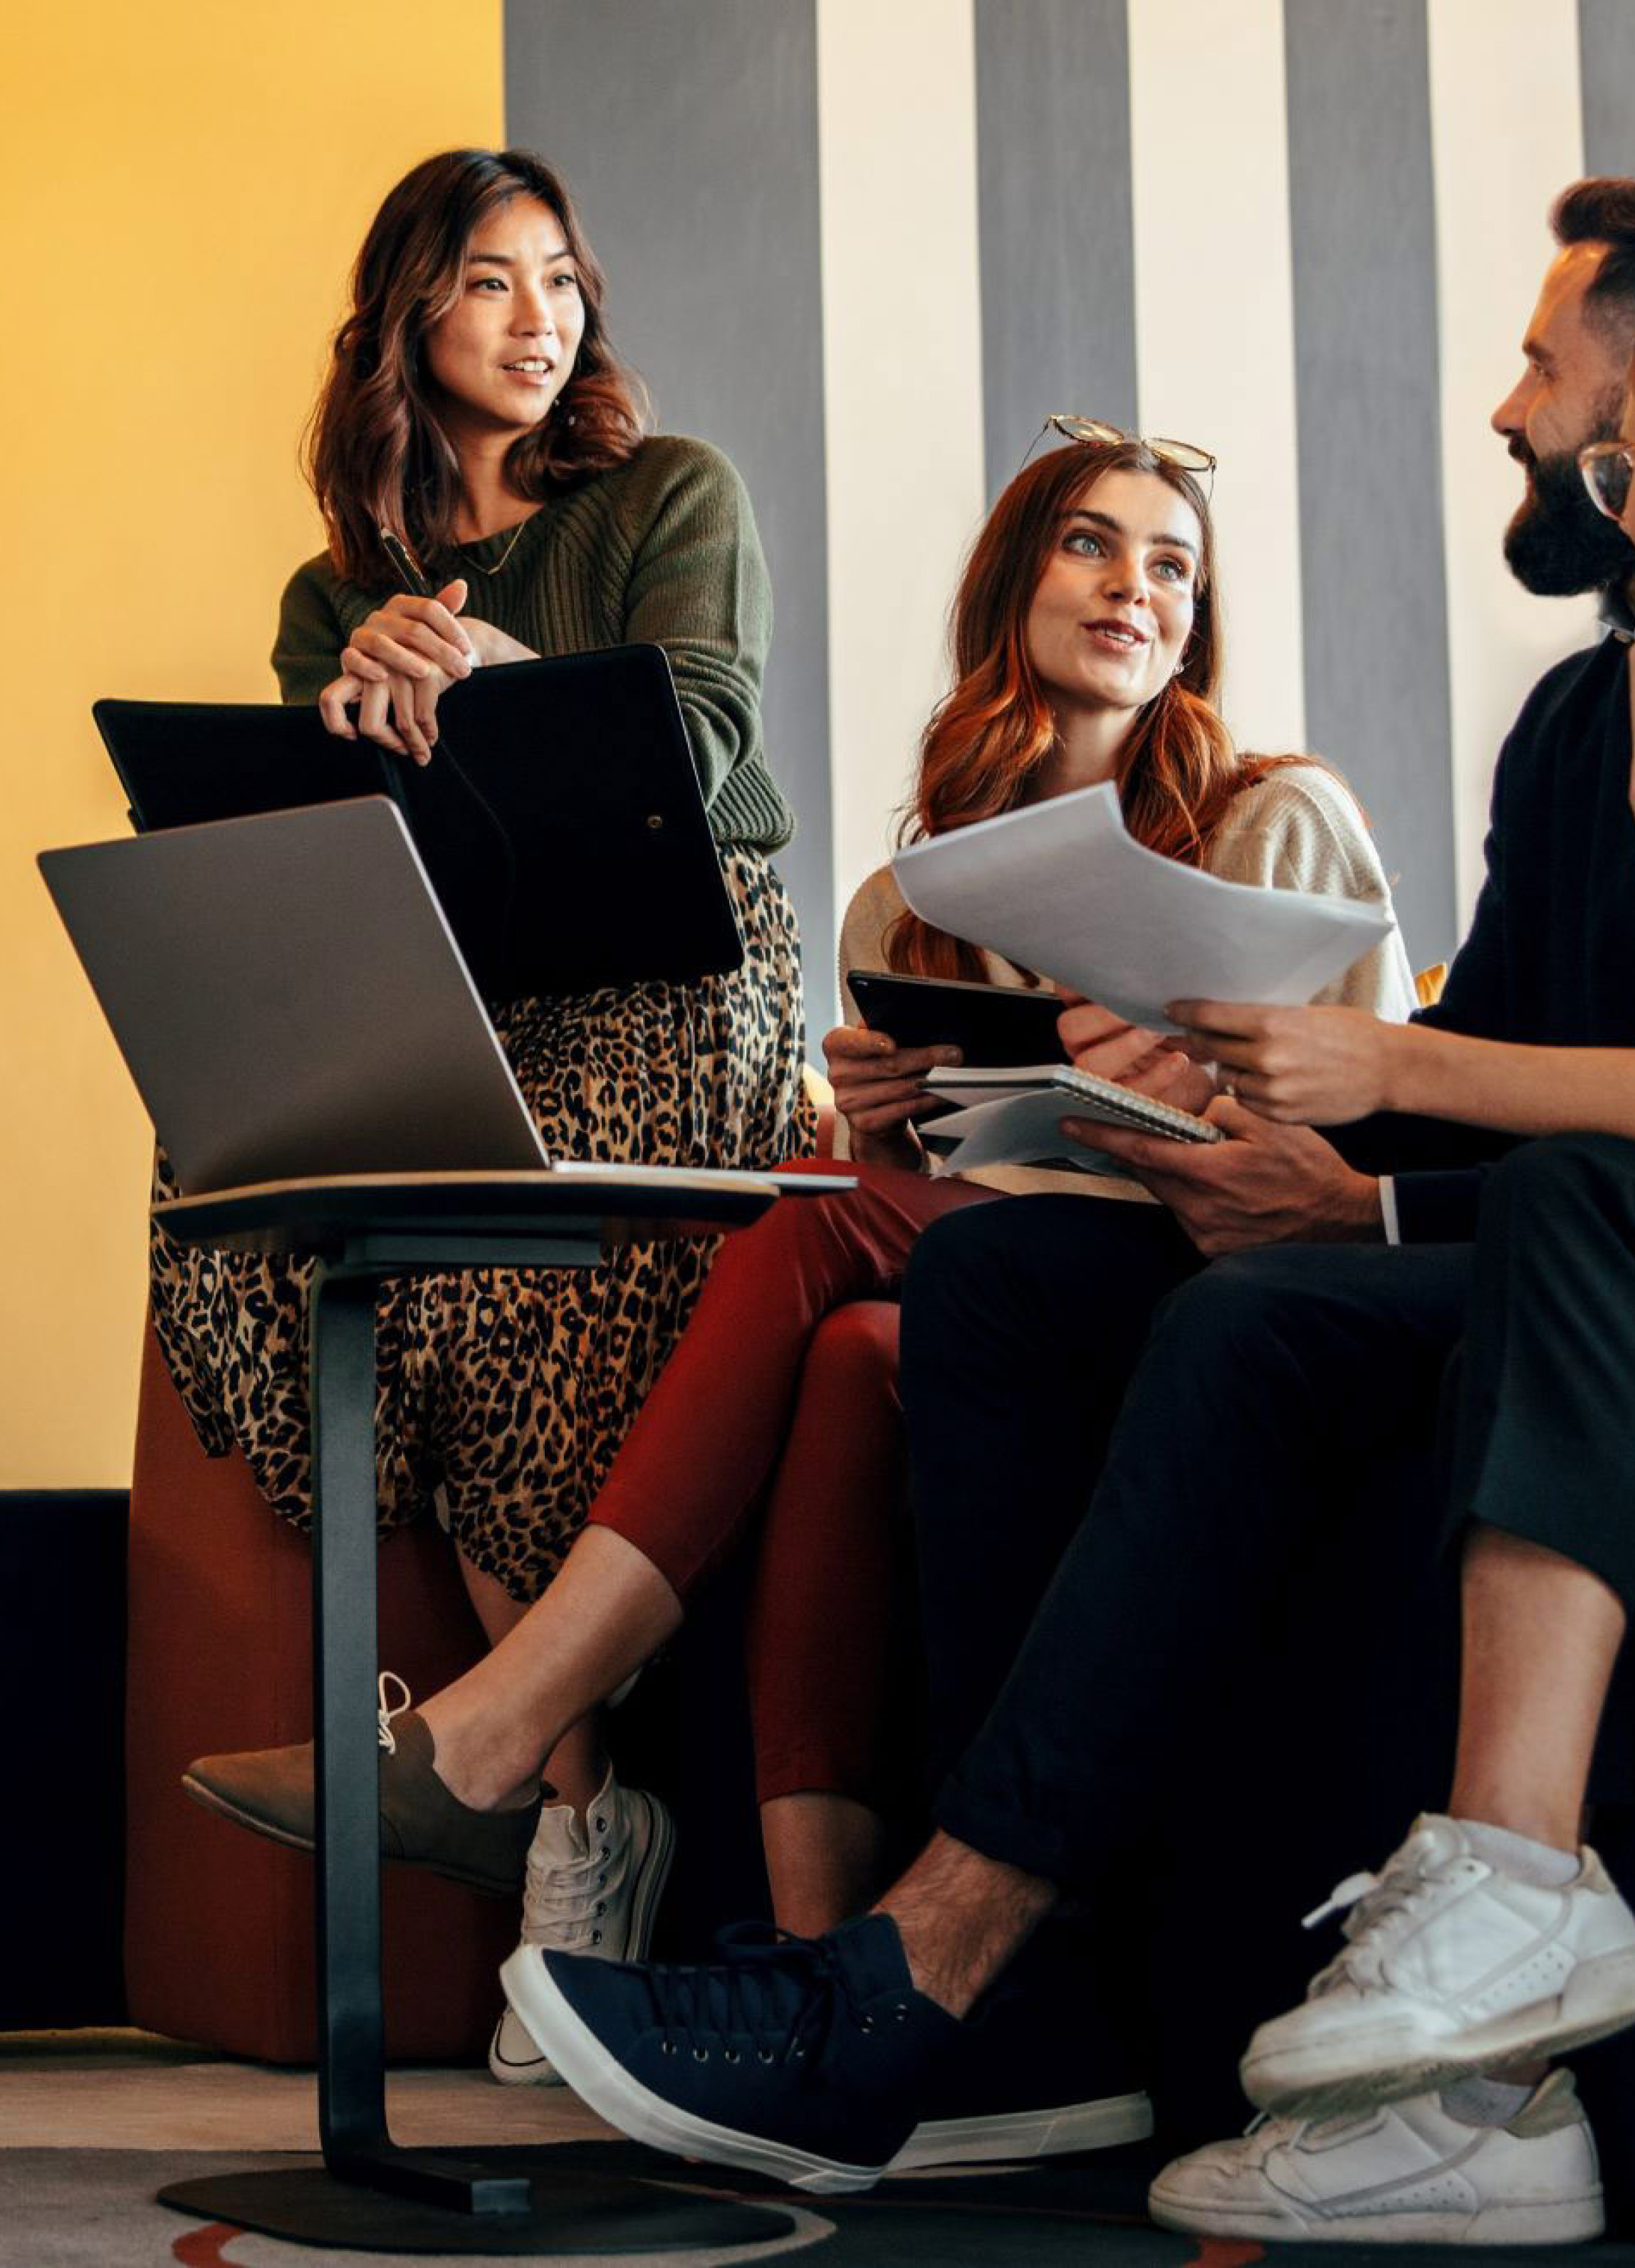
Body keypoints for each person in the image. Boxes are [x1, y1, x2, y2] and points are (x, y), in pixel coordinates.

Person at [494, 177, 1635, 2245]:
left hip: (1577, 1252)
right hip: (1478, 1235)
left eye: (1547, 368)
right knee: (998, 1275)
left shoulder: (1286, 803)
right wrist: (1338, 1190)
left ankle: (920, 1963)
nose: (1506, 407)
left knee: (1026, 1283)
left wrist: (1380, 1089)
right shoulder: (1572, 729)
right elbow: (1479, 1120)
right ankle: (1041, 2004)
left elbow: (1493, 1109)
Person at [187, 420, 1414, 2111]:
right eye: (1092, 546)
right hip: (1021, 1284)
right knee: (846, 1347)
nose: (1135, 587)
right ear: (1015, 585)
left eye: (1172, 565)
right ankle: (832, 1984)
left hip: (1221, 1271)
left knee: (802, 1223)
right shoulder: (903, 903)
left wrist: (1211, 1080)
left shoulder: (1281, 815)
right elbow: (928, 1210)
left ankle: (498, 1726)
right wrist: (898, 1123)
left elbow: (1383, 1124)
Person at [157, 147, 812, 2073]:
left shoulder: (668, 495)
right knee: (252, 1178)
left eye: (562, 282)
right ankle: (573, 1803)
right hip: (468, 975)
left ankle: (575, 1814)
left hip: (680, 965)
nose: (544, 323)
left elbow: (699, 745)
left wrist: (507, 679)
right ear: (405, 323)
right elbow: (313, 857)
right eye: (491, 288)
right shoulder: (330, 585)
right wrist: (356, 702)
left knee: (502, 1287)